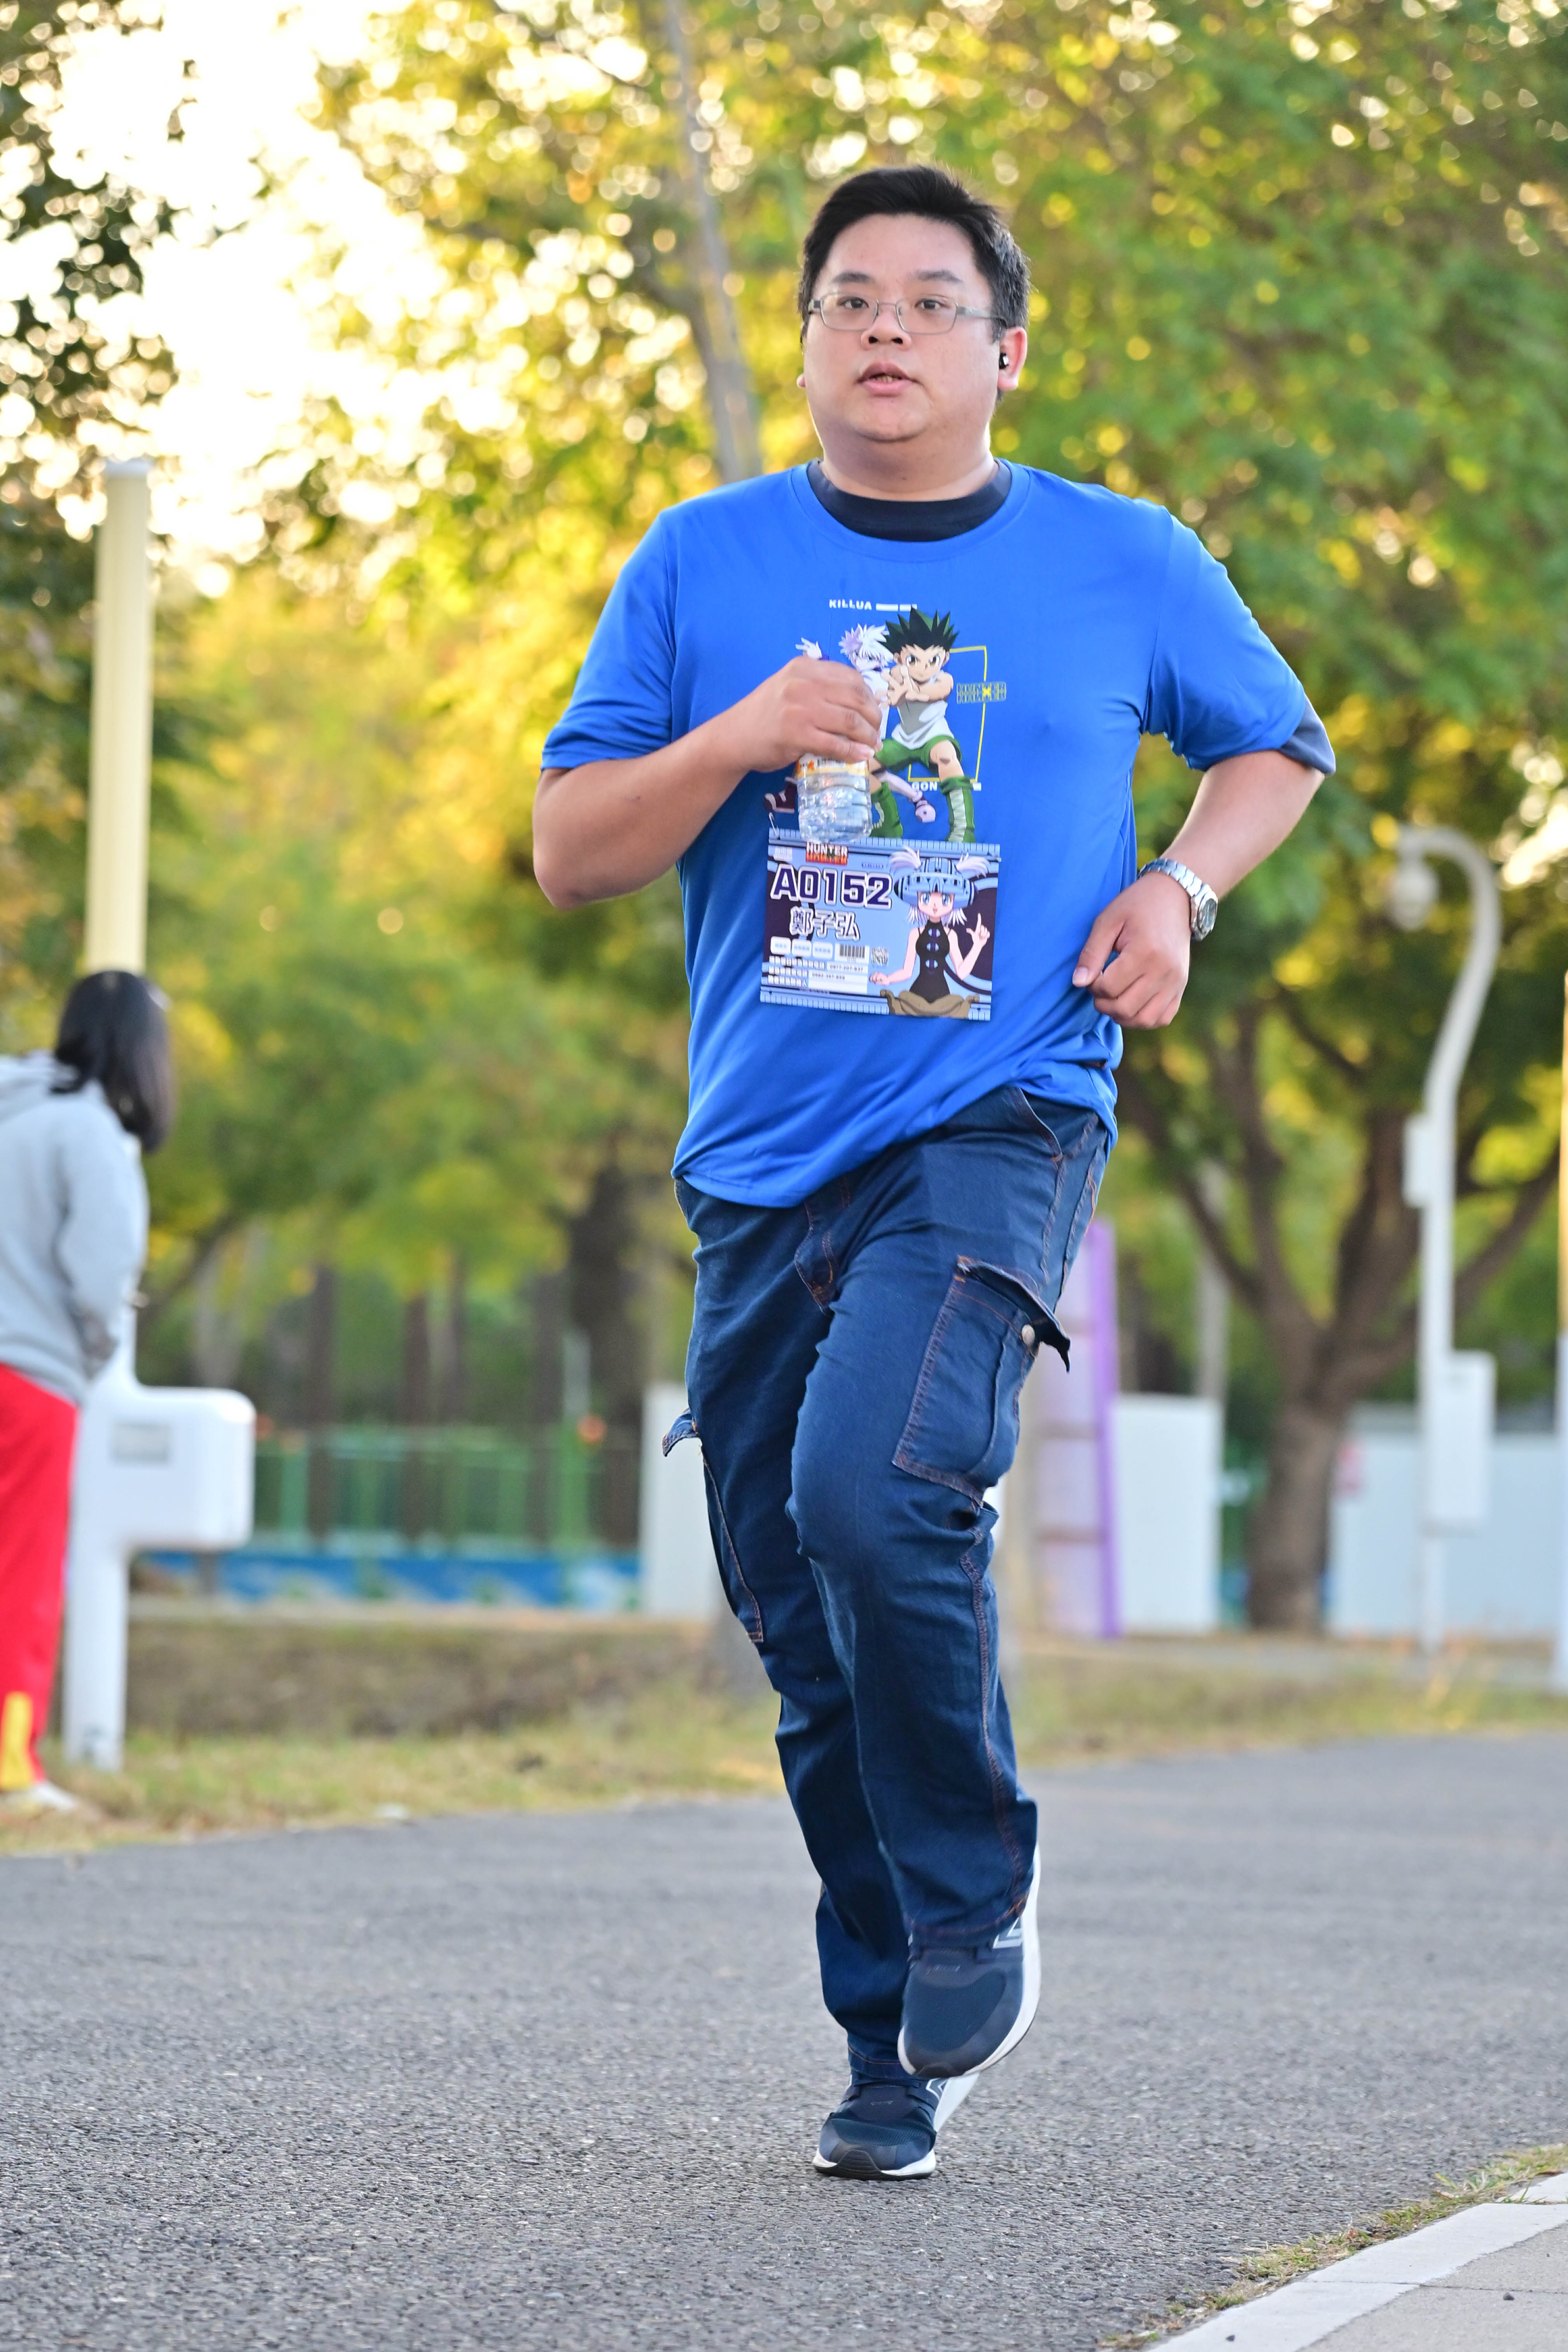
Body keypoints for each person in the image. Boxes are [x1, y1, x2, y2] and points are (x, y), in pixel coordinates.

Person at [534, 164, 1334, 2180]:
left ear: (1007, 348)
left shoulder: (1125, 558)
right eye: (850, 300)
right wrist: (734, 739)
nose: (885, 328)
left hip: (1003, 1111)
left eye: (930, 300)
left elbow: (1275, 751)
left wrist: (1181, 890)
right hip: (763, 1161)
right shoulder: (702, 561)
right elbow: (572, 850)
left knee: (874, 1486)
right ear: (810, 339)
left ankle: (977, 1901)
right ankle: (897, 2032)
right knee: (801, 1618)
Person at [0, 970, 174, 1812]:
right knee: (21, 1574)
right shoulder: (90, 1131)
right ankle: (10, 1770)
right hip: (27, 1380)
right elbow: (102, 1277)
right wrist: (93, 1352)